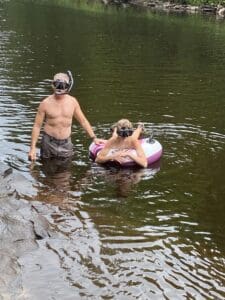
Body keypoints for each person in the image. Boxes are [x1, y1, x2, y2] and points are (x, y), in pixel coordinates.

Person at [28, 71, 102, 161]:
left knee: (65, 172)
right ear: (52, 85)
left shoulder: (72, 102)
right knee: (47, 170)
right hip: (48, 143)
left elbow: (83, 121)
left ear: (67, 86)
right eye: (57, 84)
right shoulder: (45, 103)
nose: (59, 88)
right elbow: (37, 126)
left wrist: (94, 138)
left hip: (66, 143)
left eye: (62, 85)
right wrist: (32, 148)